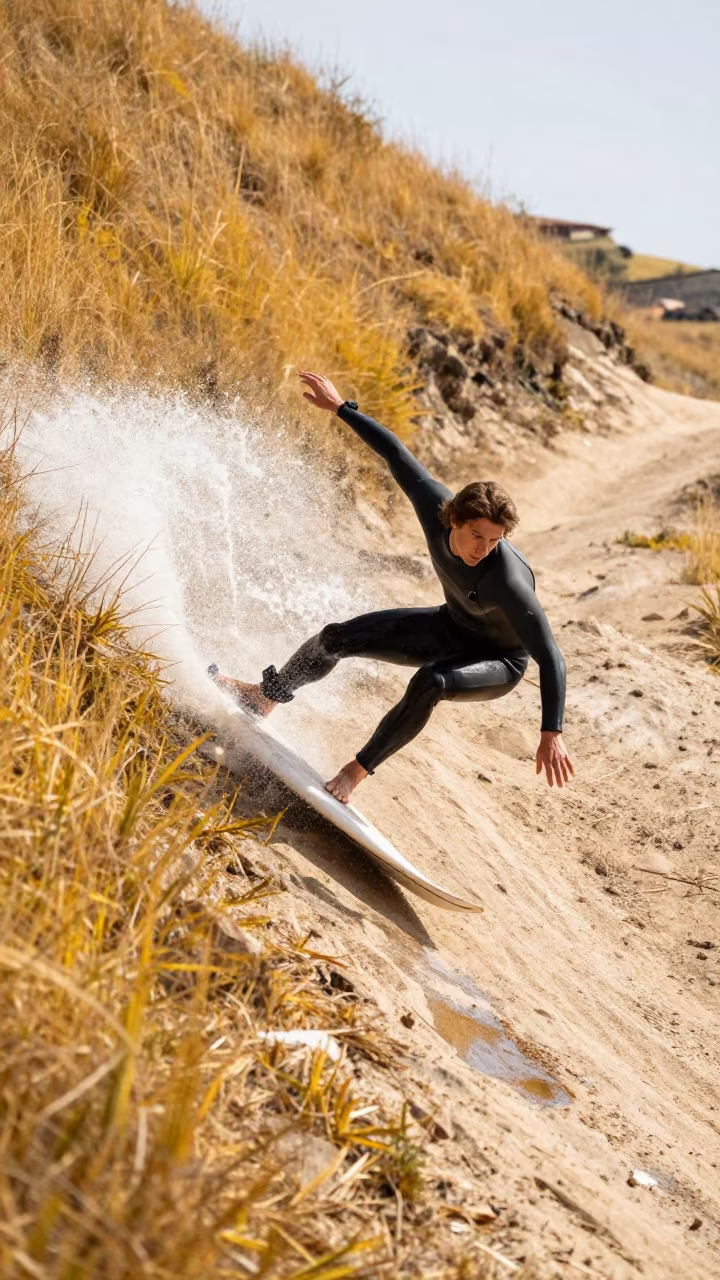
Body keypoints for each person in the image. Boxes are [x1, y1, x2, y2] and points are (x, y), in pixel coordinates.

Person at [210, 371, 574, 803]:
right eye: (478, 535)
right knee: (335, 638)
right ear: (454, 519)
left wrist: (551, 731)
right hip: (451, 626)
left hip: (499, 661)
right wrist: (341, 408)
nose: (485, 548)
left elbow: (550, 655)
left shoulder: (508, 582)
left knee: (431, 682)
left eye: (496, 540)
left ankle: (355, 771)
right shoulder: (435, 507)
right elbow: (396, 453)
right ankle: (263, 697)